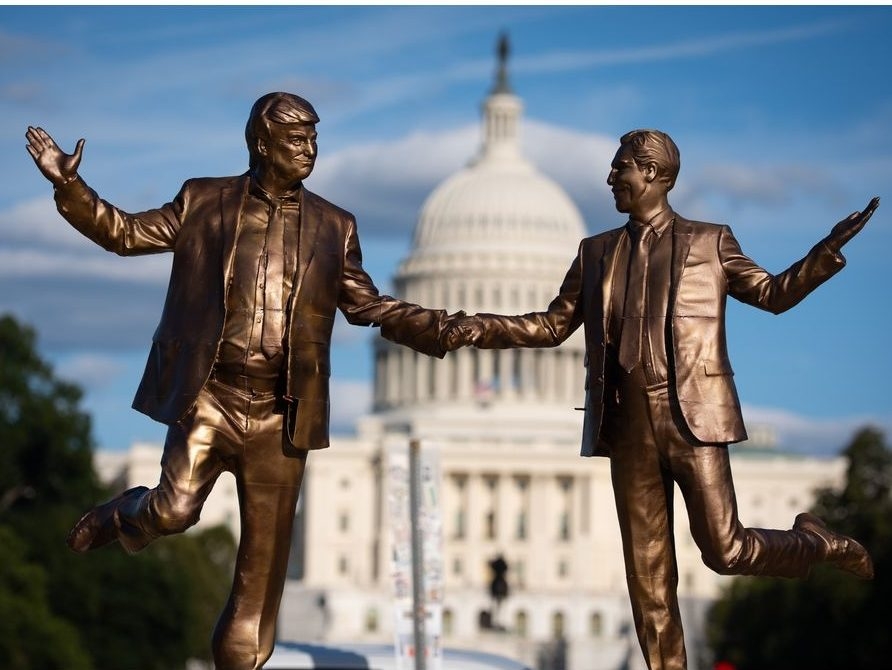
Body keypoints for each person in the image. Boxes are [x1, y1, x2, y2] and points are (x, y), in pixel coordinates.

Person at [26, 92, 463, 670]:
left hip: (284, 414)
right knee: (175, 511)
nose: (310, 150)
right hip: (211, 394)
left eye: (314, 138)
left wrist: (442, 327)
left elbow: (368, 306)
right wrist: (71, 189)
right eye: (296, 140)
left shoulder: (336, 225)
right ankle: (122, 515)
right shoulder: (204, 200)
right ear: (262, 143)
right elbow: (126, 234)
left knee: (258, 587)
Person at [445, 129, 878, 670]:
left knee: (726, 551)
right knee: (648, 582)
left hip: (691, 418)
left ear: (652, 173)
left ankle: (815, 544)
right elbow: (551, 325)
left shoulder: (710, 241)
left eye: (619, 168)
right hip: (626, 425)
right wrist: (468, 327)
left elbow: (772, 294)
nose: (609, 179)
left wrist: (824, 253)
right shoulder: (595, 251)